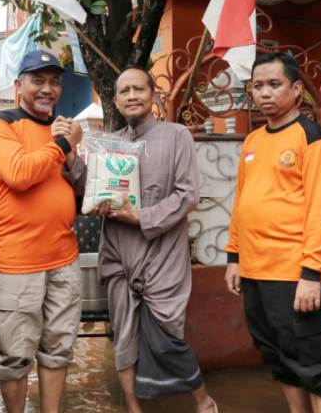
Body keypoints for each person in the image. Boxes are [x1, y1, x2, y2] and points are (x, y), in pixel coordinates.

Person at [93, 67, 217, 413]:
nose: (132, 96)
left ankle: (203, 402)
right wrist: (74, 157)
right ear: (116, 101)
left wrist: (142, 217)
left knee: (166, 340)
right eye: (124, 91)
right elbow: (89, 189)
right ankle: (134, 408)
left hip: (162, 256)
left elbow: (187, 195)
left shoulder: (177, 136)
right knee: (125, 339)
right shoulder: (110, 143)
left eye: (138, 89)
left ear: (153, 96)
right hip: (118, 256)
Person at [224, 51, 321, 413]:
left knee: (314, 361)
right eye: (258, 86)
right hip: (254, 272)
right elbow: (241, 201)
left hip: (293, 272)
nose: (265, 93)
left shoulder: (313, 138)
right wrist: (233, 257)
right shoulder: (253, 141)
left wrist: (311, 274)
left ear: (295, 90)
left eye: (274, 85)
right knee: (277, 355)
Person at [0, 50, 86, 413]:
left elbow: (85, 190)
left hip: (63, 257)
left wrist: (71, 152)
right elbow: (20, 175)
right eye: (37, 80)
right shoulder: (0, 124)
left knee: (59, 348)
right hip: (15, 262)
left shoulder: (64, 130)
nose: (47, 89)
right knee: (14, 355)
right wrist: (61, 145)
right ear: (19, 85)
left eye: (54, 81)